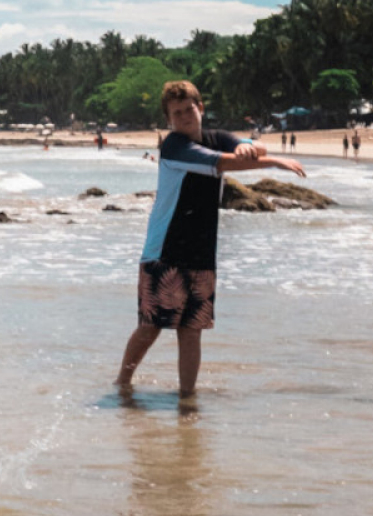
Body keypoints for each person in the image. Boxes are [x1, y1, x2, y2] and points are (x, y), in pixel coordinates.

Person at [116, 80, 306, 399]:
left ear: (200, 108)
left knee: (192, 331)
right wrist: (272, 161)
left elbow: (245, 147)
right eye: (176, 113)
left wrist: (251, 147)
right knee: (151, 326)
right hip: (165, 252)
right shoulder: (175, 147)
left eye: (189, 109)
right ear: (169, 120)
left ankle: (187, 400)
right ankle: (122, 384)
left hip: (202, 252)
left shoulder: (217, 138)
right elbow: (221, 162)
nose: (184, 117)